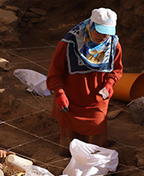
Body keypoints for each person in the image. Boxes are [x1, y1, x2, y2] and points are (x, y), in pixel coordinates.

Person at [46, 8, 123, 157]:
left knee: (98, 133)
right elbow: (55, 72)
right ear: (91, 26)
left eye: (106, 34)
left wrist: (109, 83)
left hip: (97, 98)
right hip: (70, 97)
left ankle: (95, 166)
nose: (103, 37)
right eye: (99, 33)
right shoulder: (69, 44)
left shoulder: (113, 44)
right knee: (69, 141)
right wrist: (59, 93)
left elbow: (117, 69)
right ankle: (69, 163)